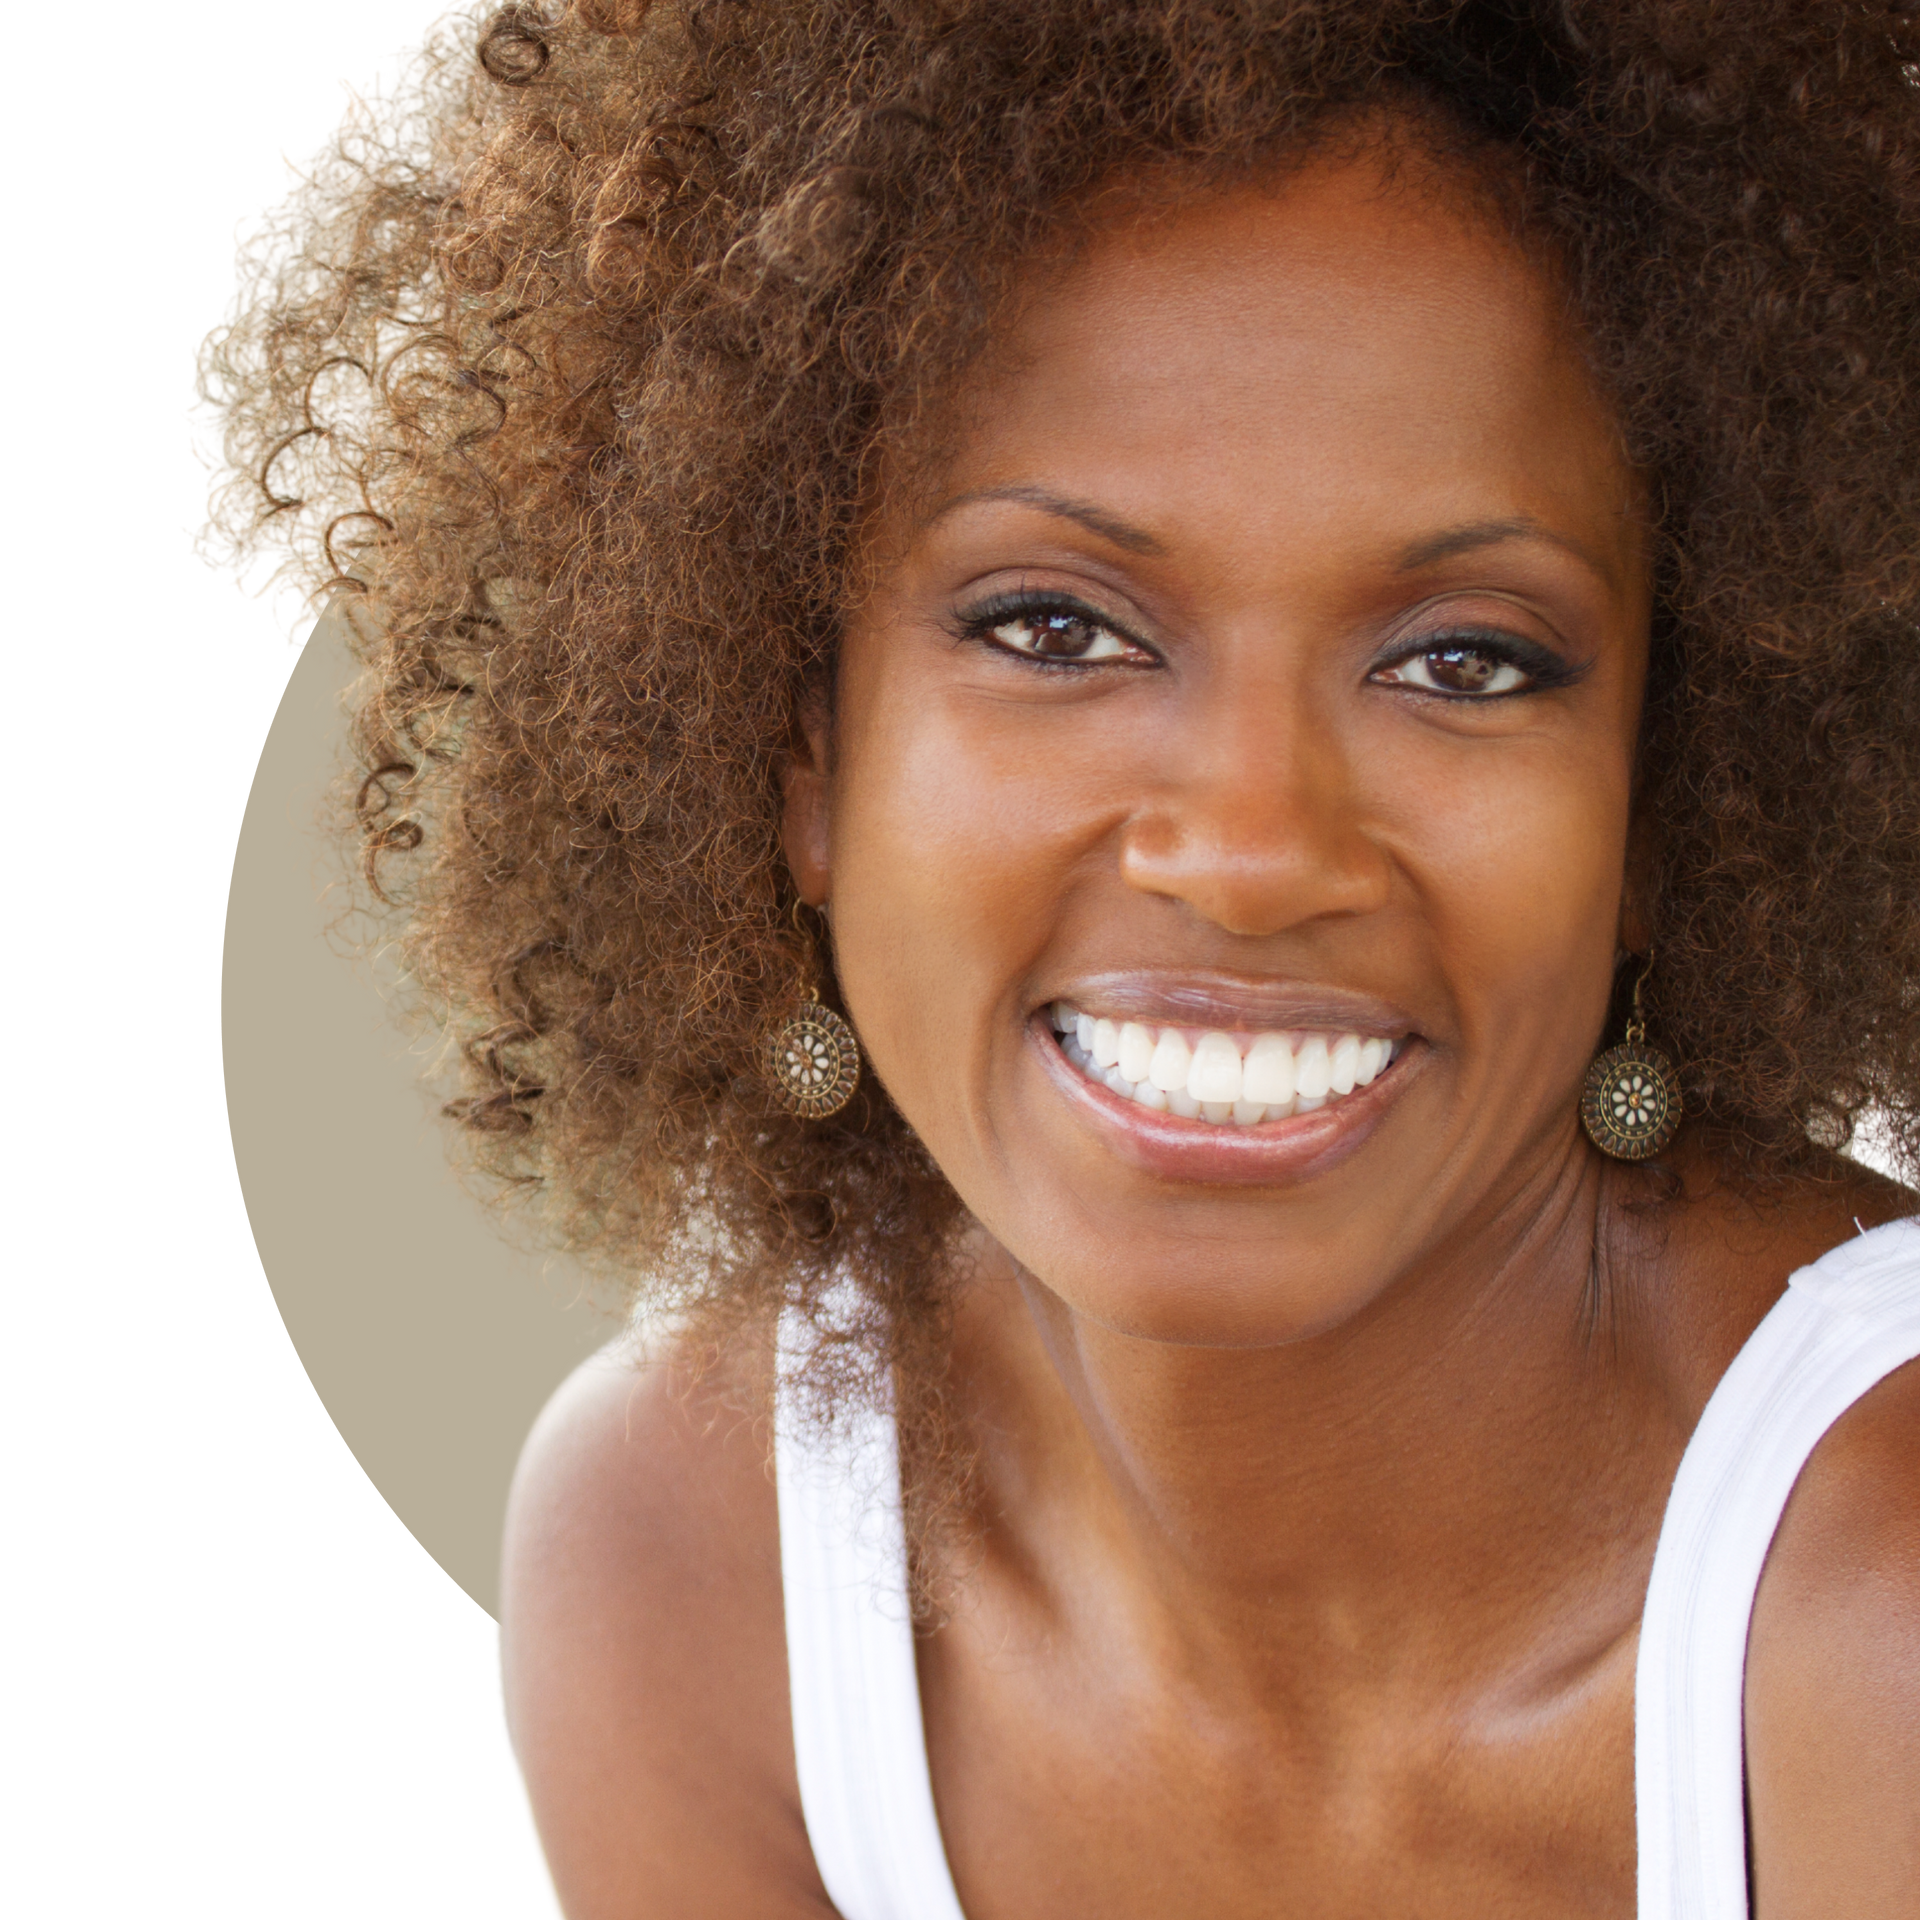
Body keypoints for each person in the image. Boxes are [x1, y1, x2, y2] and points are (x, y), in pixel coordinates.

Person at [187, 1, 1918, 1912]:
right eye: (1055, 628)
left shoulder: (1877, 1604)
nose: (1252, 852)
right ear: (798, 750)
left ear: (1661, 806)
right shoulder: (698, 1557)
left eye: (1464, 661)